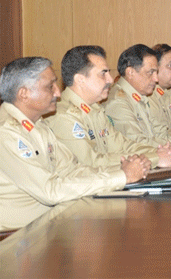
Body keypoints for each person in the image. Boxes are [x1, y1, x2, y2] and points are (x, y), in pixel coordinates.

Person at [0, 57, 147, 231]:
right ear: (23, 93)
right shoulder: (7, 132)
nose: (58, 93)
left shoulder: (37, 124)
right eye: (50, 86)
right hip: (19, 238)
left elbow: (73, 169)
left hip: (53, 223)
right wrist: (121, 177)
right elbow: (51, 191)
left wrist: (123, 172)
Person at [47, 46, 171, 169]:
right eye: (103, 73)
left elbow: (122, 145)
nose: (110, 79)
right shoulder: (63, 116)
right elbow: (91, 162)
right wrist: (154, 158)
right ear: (80, 80)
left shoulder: (95, 109)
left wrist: (159, 151)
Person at [105, 44, 171, 151]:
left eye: (156, 72)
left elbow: (158, 136)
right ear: (130, 72)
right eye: (151, 72)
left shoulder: (139, 96)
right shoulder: (118, 102)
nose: (156, 79)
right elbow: (138, 144)